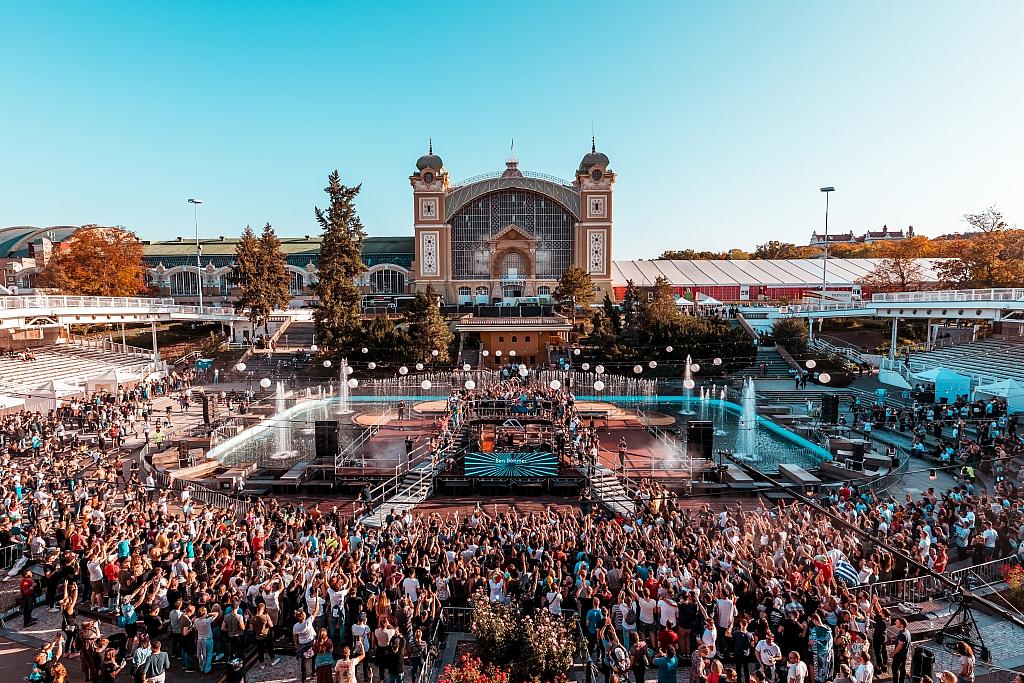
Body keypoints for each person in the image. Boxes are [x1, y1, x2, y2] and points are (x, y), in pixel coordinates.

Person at [890, 617, 911, 683]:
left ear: (901, 624)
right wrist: (896, 638)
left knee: (895, 669)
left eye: (897, 622)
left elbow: (899, 646)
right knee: (902, 668)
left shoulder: (902, 634)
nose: (895, 623)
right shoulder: (906, 631)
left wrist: (893, 653)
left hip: (899, 655)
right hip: (905, 654)